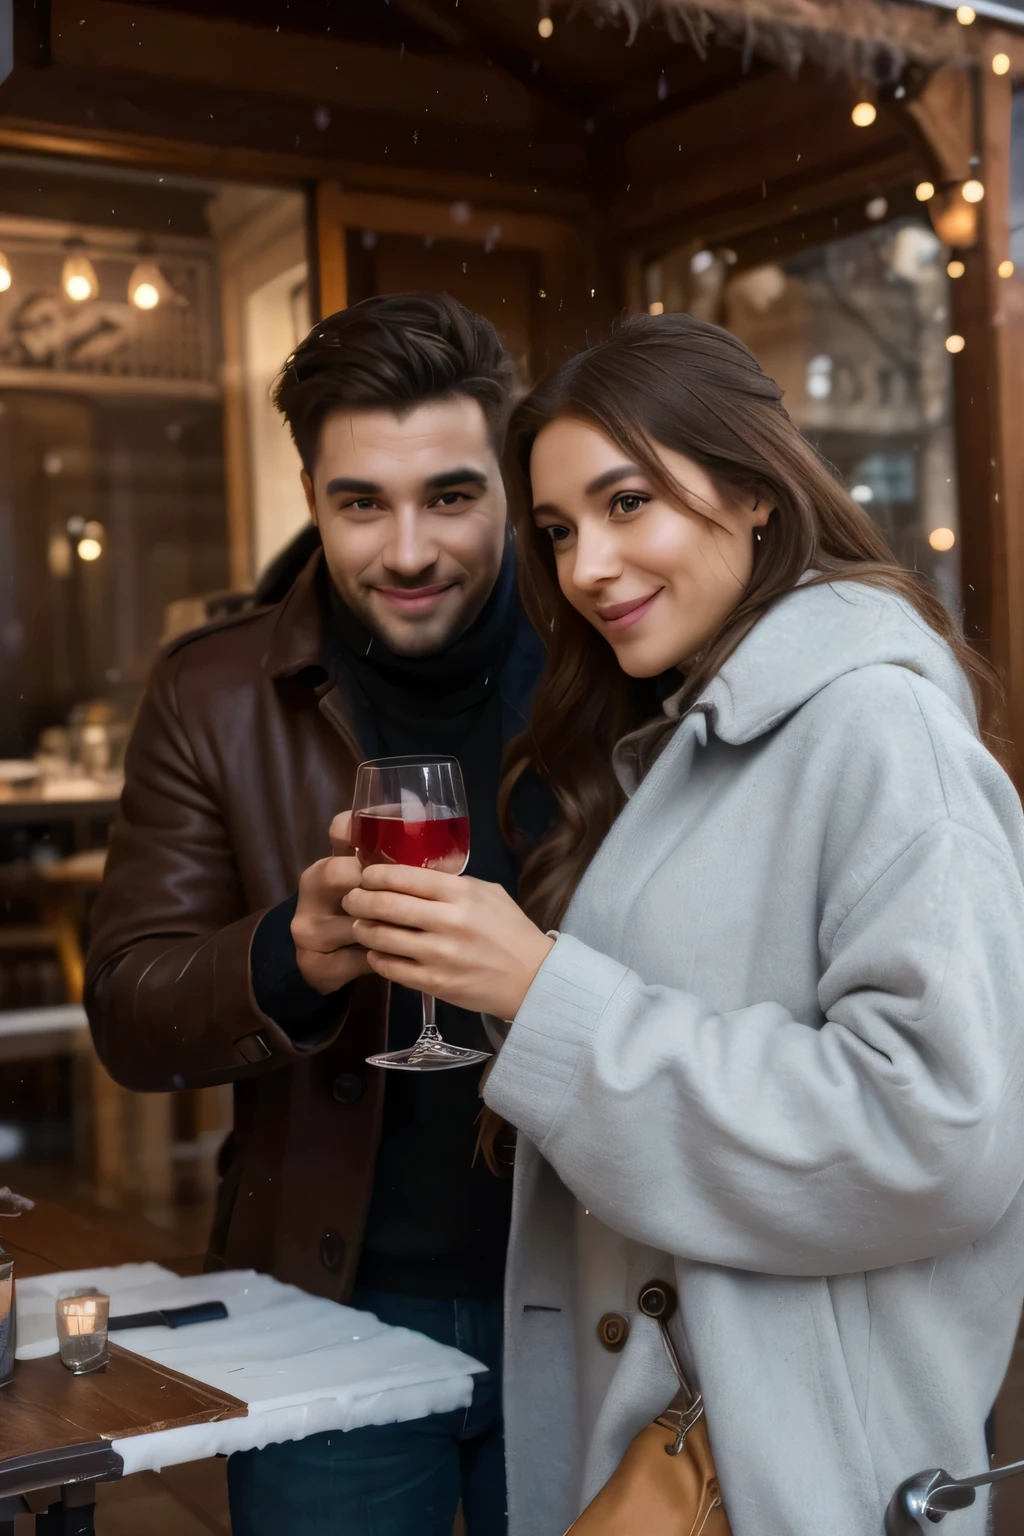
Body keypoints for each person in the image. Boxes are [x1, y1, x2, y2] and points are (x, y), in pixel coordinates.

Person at [340, 312, 1024, 1536]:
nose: (587, 566)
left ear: (756, 492)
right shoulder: (683, 734)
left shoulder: (875, 728)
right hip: (685, 1443)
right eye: (556, 530)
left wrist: (544, 998)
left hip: (781, 1469)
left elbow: (943, 1132)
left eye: (627, 503)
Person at [85, 292, 546, 1536]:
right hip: (327, 1308)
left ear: (508, 481)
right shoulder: (210, 689)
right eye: (361, 503)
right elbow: (129, 1010)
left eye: (450, 497)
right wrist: (283, 959)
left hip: (585, 1295)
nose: (407, 550)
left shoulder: (610, 662)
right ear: (308, 492)